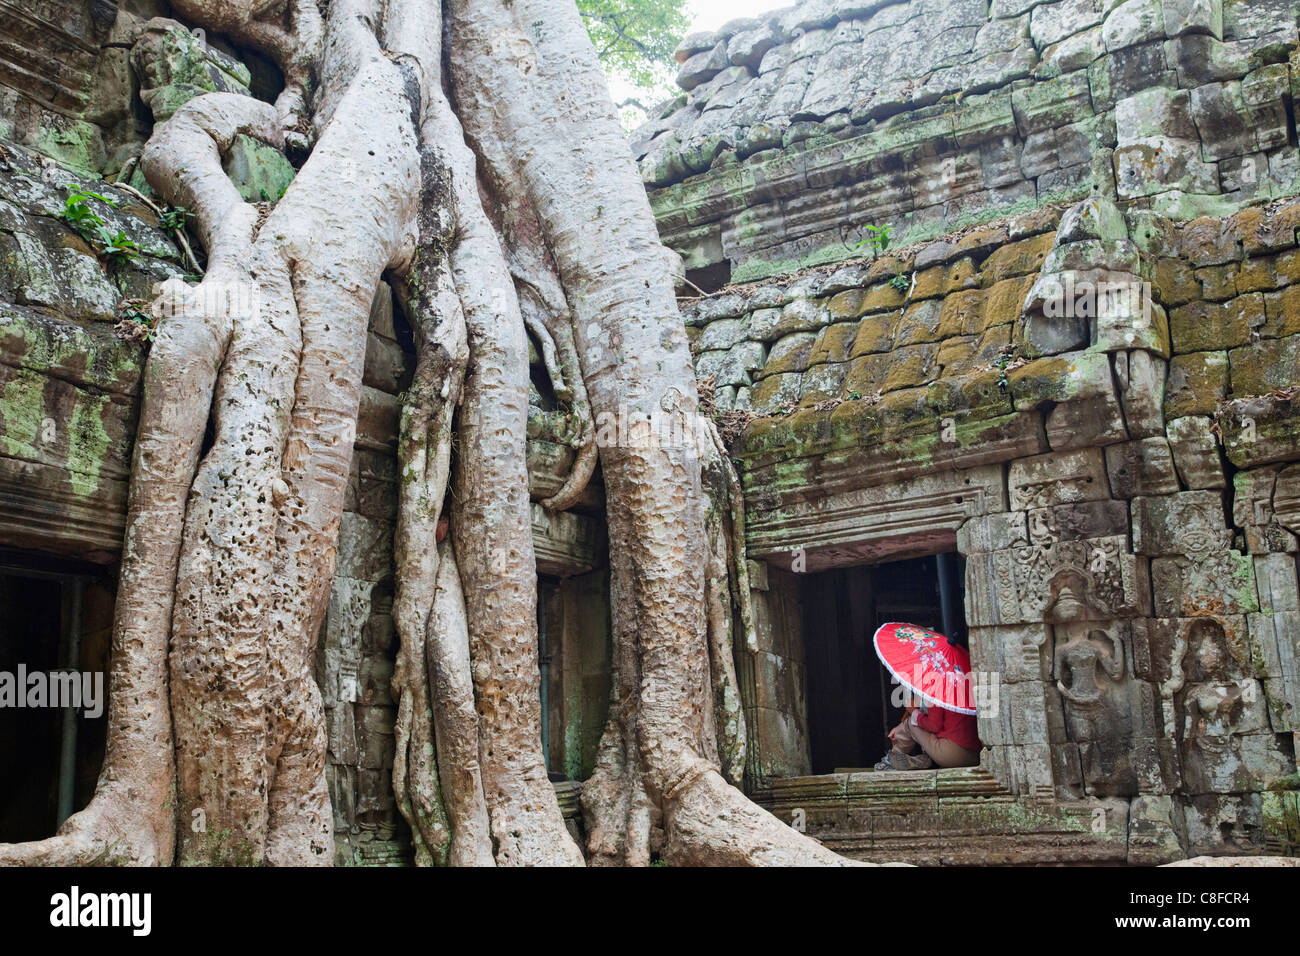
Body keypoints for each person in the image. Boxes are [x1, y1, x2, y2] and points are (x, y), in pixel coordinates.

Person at [874, 700, 980, 771]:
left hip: (951, 755)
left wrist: (913, 711)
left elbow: (933, 725)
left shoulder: (937, 688)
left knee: (911, 722)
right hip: (975, 756)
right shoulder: (965, 684)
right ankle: (923, 759)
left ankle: (891, 759)